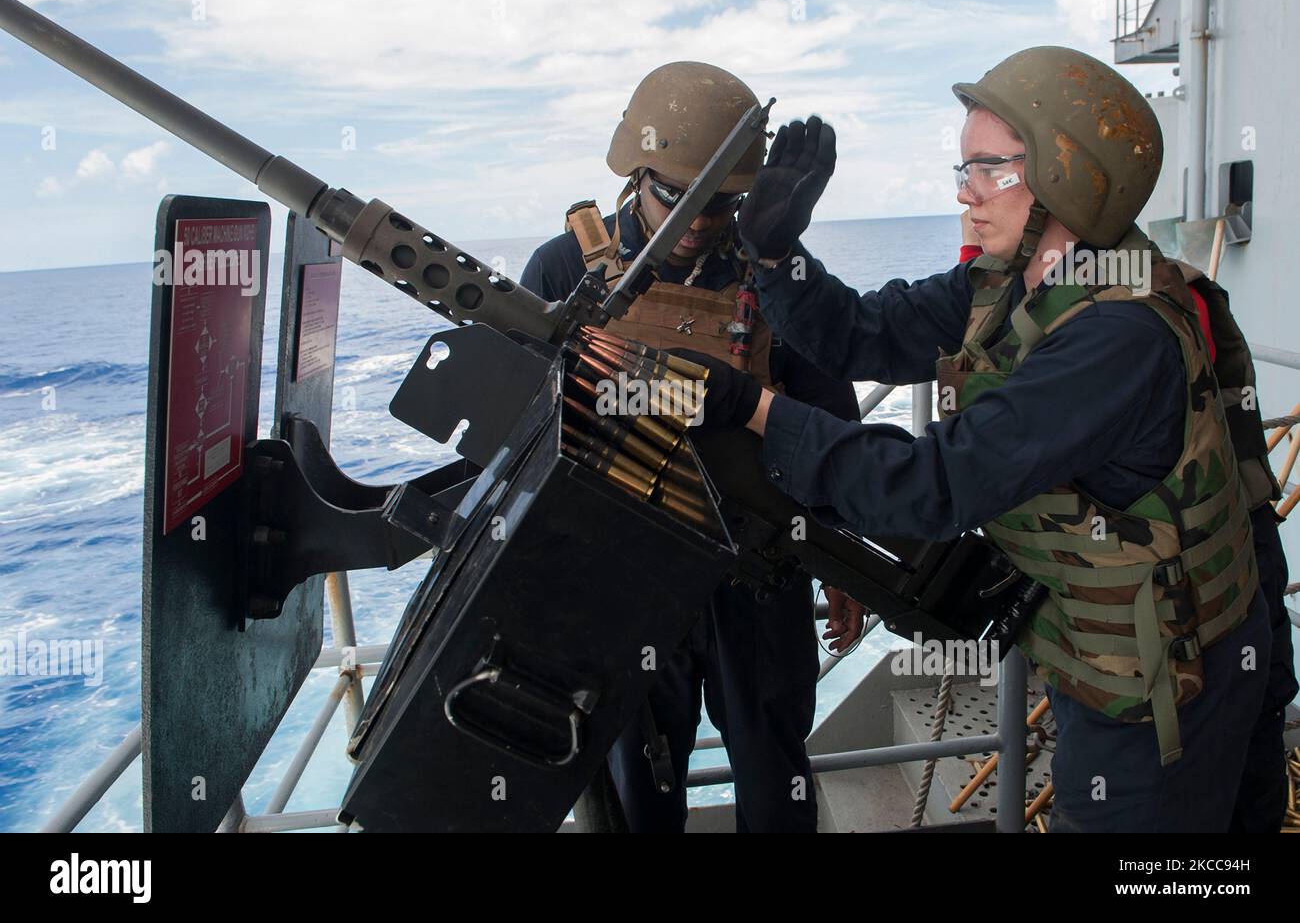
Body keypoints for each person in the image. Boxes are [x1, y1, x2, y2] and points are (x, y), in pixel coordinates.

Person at [675, 46, 1279, 832]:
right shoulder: (1010, 284)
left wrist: (750, 408)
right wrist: (777, 254)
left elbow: (930, 486)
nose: (964, 194)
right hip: (1104, 649)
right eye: (964, 169)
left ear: (1069, 174)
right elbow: (860, 332)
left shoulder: (1118, 337)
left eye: (989, 169)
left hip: (1170, 680)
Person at [518, 61, 863, 832]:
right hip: (625, 572)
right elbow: (528, 425)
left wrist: (844, 562)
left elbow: (831, 425)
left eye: (723, 206)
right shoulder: (565, 267)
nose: (701, 223)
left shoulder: (779, 275)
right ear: (638, 173)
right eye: (678, 201)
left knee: (775, 777)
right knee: (640, 789)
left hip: (757, 568)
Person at [959, 212, 1298, 832]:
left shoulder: (1119, 319)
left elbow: (1003, 436)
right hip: (1230, 573)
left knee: (1223, 771)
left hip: (1198, 587)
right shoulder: (1167, 288)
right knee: (1246, 762)